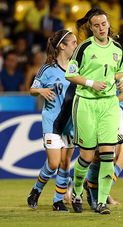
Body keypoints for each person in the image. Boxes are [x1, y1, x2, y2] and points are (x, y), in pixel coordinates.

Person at [65, 6, 123, 215]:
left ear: (109, 25)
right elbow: (70, 74)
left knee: (108, 155)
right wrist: (91, 83)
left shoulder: (117, 49)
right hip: (85, 103)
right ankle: (76, 192)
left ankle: (101, 202)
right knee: (86, 156)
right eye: (96, 25)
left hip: (110, 104)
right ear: (91, 28)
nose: (101, 28)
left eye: (104, 24)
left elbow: (119, 72)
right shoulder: (83, 48)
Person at [83, 28, 123, 209]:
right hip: (113, 109)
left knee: (121, 157)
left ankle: (101, 190)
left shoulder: (113, 54)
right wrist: (114, 104)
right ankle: (94, 190)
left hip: (99, 104)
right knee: (105, 156)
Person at [26, 29, 78, 212]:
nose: (75, 46)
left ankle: (57, 201)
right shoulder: (47, 68)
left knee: (65, 164)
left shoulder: (77, 67)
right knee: (54, 163)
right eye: (73, 43)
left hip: (71, 123)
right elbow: (33, 88)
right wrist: (40, 91)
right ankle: (36, 190)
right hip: (52, 121)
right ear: (62, 46)